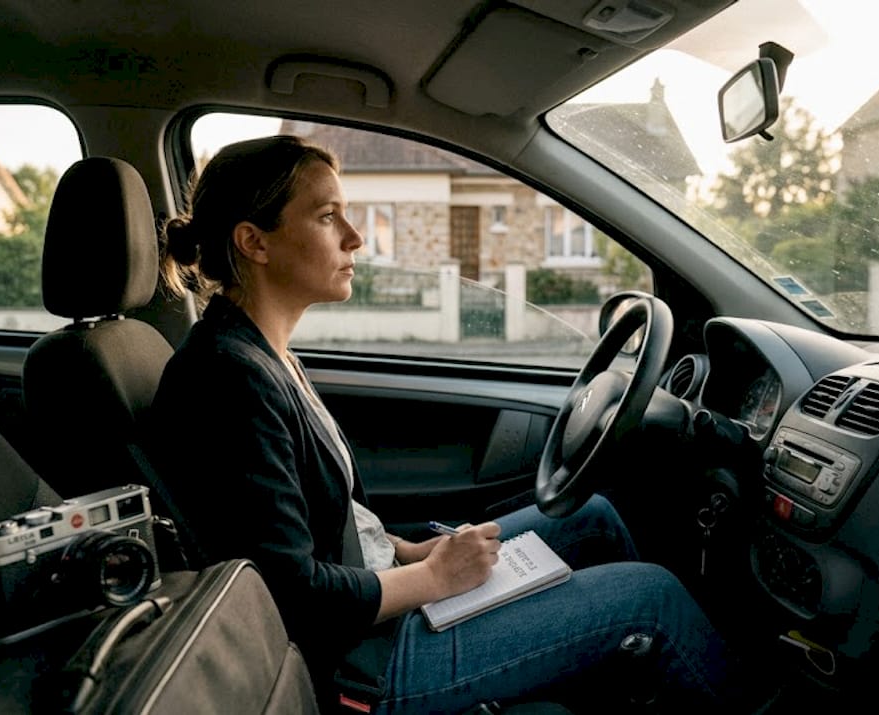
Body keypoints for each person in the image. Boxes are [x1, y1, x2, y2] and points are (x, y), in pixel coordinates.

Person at [149, 135, 753, 714]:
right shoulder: (227, 378)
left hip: (376, 601)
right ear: (255, 241)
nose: (355, 237)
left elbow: (331, 519)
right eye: (328, 217)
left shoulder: (264, 353)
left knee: (591, 516)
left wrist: (413, 551)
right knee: (650, 597)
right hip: (359, 661)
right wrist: (433, 577)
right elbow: (290, 593)